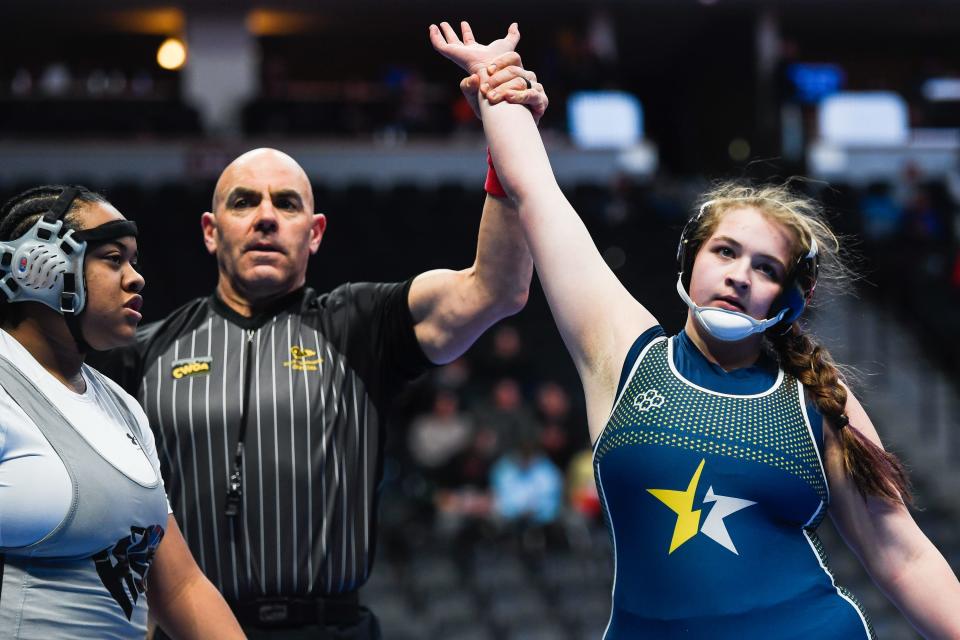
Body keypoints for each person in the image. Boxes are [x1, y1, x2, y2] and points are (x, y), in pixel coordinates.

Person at [431, 21, 960, 639]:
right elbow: (537, 193)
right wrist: (503, 94)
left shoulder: (814, 397)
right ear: (688, 260)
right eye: (726, 252)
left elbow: (903, 555)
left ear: (791, 298)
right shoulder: (623, 352)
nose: (740, 276)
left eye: (766, 268)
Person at [90, 24, 547, 639]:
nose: (265, 219)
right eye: (244, 202)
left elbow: (496, 289)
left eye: (287, 204)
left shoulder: (361, 324)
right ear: (209, 230)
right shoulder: (142, 355)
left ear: (316, 231)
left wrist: (507, 131)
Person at [0, 185, 243, 639]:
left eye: (133, 261)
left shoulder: (124, 409)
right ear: (39, 268)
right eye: (113, 259)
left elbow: (180, 586)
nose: (136, 278)